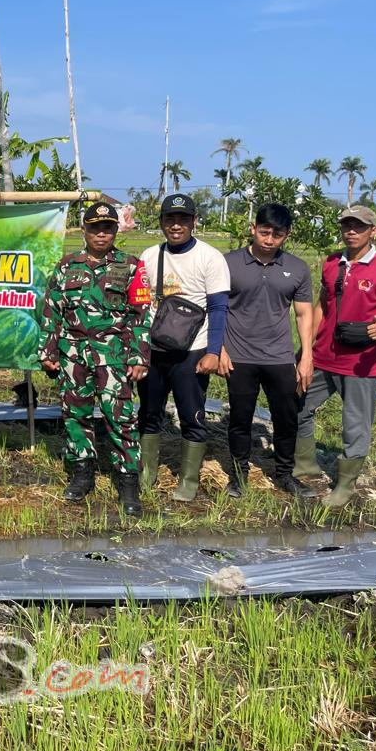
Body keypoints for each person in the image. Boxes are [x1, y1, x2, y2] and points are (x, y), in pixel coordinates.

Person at [39, 202, 152, 516]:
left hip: (113, 354)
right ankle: (82, 474)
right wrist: (47, 352)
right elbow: (51, 311)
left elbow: (142, 314)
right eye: (94, 228)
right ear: (84, 230)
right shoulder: (66, 266)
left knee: (121, 418)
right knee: (76, 416)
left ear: (116, 230)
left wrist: (140, 356)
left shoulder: (131, 266)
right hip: (73, 353)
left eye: (107, 228)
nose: (101, 234)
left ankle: (128, 483)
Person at [296, 205, 376, 508]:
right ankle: (304, 463)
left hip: (362, 360)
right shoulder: (333, 262)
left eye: (359, 226)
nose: (351, 231)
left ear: (374, 231)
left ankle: (345, 484)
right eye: (347, 225)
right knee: (299, 404)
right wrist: (306, 347)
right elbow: (323, 305)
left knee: (355, 423)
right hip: (323, 355)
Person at [137, 194, 231, 500]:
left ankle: (189, 480)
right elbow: (139, 305)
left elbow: (218, 309)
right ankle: (148, 472)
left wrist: (213, 352)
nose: (176, 226)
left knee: (192, 414)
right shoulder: (149, 256)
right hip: (154, 348)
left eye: (183, 220)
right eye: (170, 219)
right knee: (150, 411)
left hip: (193, 349)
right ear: (162, 222)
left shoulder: (210, 258)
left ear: (194, 222)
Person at [218, 203, 314, 499]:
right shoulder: (228, 263)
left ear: (287, 235)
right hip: (239, 356)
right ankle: (238, 475)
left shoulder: (297, 268)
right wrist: (218, 348)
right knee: (240, 417)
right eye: (264, 232)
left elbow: (303, 315)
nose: (270, 240)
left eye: (278, 234)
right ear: (253, 229)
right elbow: (217, 309)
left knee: (286, 418)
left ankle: (285, 475)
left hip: (280, 357)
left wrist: (306, 356)